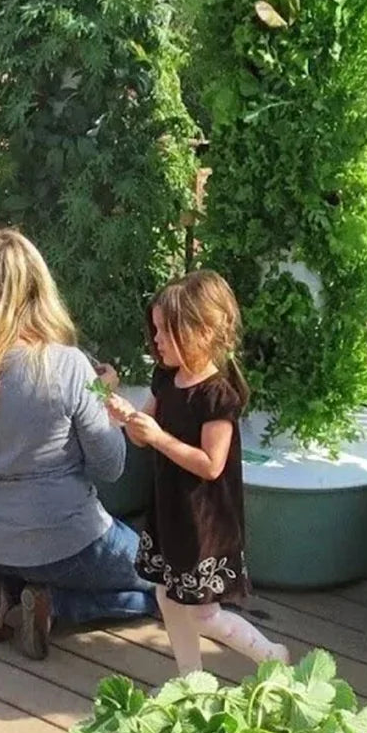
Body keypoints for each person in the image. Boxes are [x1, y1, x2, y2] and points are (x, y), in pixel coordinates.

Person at [0, 228, 157, 661]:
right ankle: (55, 605)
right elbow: (111, 465)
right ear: (40, 289)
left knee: (37, 561)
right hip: (67, 539)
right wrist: (101, 394)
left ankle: (4, 587)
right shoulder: (67, 365)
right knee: (169, 583)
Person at [104, 270, 289, 675]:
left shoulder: (216, 395)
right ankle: (190, 680)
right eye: (155, 330)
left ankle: (271, 655)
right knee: (166, 596)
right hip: (171, 511)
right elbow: (142, 437)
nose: (156, 340)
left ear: (201, 332)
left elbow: (211, 464)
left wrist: (157, 437)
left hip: (205, 521)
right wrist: (127, 416)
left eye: (165, 332)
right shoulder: (166, 378)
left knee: (204, 614)